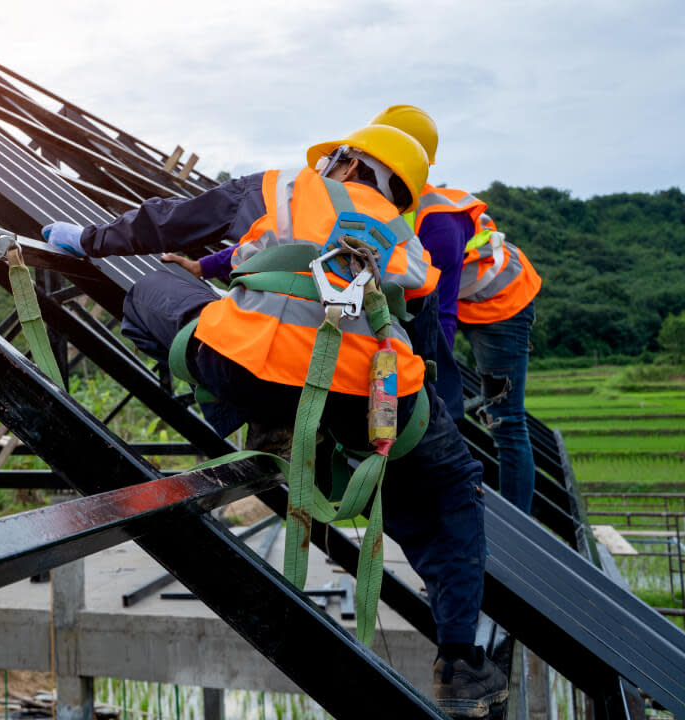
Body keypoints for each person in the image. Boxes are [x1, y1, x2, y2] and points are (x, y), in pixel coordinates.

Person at [42, 124, 507, 718]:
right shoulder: (405, 238)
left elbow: (167, 220)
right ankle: (462, 660)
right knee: (448, 490)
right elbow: (417, 337)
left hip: (246, 366)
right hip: (365, 392)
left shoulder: (281, 187)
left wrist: (86, 238)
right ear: (400, 191)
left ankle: (265, 421)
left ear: (345, 160)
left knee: (153, 288)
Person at [372, 105, 543, 515]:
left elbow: (440, 312)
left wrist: (429, 380)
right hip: (466, 297)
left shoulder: (439, 220)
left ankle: (518, 522)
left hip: (501, 303)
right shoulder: (390, 205)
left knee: (505, 419)